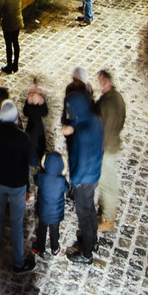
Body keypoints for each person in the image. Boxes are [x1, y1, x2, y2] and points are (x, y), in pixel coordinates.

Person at [0, 99, 36, 272]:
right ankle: (18, 262)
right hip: (17, 185)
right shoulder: (22, 137)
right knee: (16, 224)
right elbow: (33, 161)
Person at [62, 70, 104, 261]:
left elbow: (81, 158)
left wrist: (75, 182)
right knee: (90, 211)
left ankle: (86, 253)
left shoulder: (82, 132)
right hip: (94, 174)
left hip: (84, 179)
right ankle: (92, 241)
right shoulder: (94, 119)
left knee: (84, 215)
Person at [95, 70, 127, 233]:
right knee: (110, 181)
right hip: (113, 144)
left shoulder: (107, 104)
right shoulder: (117, 97)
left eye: (100, 81)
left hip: (106, 148)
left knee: (106, 183)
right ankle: (109, 207)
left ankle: (107, 219)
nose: (98, 83)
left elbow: (103, 130)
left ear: (106, 82)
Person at [34, 150, 69, 256]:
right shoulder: (61, 180)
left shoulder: (41, 176)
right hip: (56, 213)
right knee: (55, 232)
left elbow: (35, 179)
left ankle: (40, 248)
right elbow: (67, 189)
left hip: (43, 211)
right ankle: (54, 248)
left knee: (42, 230)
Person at [0, 0, 26, 73]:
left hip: (8, 20)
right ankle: (16, 65)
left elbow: (0, 6)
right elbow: (21, 2)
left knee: (8, 44)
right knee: (16, 42)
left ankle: (9, 66)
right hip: (17, 19)